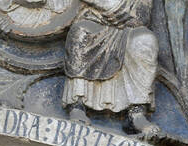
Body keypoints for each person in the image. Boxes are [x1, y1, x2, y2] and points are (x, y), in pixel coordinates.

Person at [62, 0, 158, 135]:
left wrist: (112, 9)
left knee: (145, 40)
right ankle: (77, 104)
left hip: (127, 28)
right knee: (80, 32)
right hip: (93, 22)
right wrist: (114, 10)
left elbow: (142, 16)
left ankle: (136, 112)